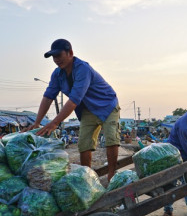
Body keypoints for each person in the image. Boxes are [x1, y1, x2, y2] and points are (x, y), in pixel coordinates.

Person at [28, 39, 120, 180]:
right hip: (88, 110)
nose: (56, 60)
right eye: (53, 57)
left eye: (59, 55)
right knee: (84, 144)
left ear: (70, 53)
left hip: (107, 105)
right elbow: (48, 97)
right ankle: (86, 177)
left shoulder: (83, 69)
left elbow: (73, 101)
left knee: (111, 138)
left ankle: (112, 175)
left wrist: (54, 123)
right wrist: (37, 122)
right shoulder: (57, 74)